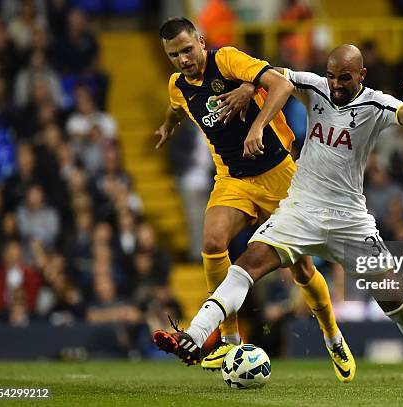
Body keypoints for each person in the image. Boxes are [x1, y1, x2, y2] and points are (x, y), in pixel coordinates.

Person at [155, 44, 403, 386]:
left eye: (344, 78)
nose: (335, 84)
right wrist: (247, 87)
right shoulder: (316, 85)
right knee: (246, 266)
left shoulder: (376, 104)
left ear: (361, 75)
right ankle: (195, 337)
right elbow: (273, 75)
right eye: (331, 76)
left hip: (350, 220)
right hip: (301, 209)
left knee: (396, 303)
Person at [151, 17, 354, 381]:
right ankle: (229, 339)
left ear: (200, 40)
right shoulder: (177, 85)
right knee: (212, 243)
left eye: (186, 49)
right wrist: (168, 124)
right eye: (173, 55)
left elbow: (281, 85)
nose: (182, 59)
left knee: (303, 270)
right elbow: (176, 104)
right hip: (233, 179)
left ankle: (332, 336)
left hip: (279, 176)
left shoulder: (226, 59)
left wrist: (257, 123)